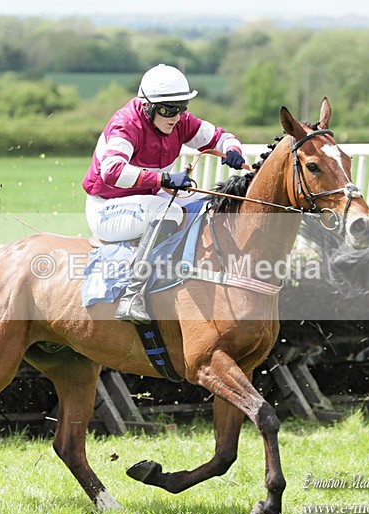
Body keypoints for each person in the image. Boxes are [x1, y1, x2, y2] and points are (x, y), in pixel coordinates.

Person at [82, 63, 246, 324]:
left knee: (208, 204)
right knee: (169, 212)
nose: (176, 117)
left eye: (181, 108)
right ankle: (132, 296)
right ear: (147, 106)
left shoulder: (179, 121)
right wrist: (164, 178)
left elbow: (221, 137)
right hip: (107, 208)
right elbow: (111, 171)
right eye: (168, 109)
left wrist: (233, 150)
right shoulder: (126, 125)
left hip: (146, 199)